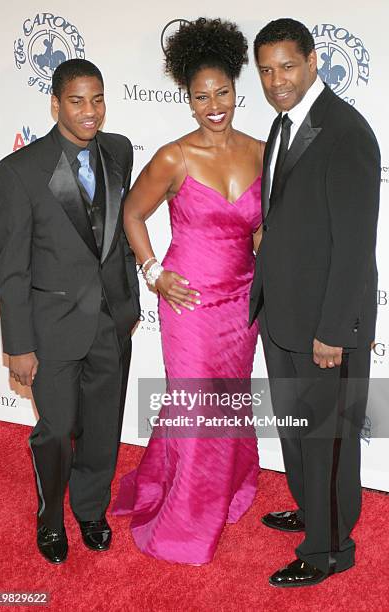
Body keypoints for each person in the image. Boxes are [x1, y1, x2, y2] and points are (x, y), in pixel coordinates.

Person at [112, 18, 263, 564]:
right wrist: (153, 271)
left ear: (235, 91)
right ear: (189, 101)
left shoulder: (261, 151)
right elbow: (132, 212)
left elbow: (260, 228)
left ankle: (224, 485)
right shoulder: (175, 156)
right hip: (191, 302)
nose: (213, 104)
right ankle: (186, 520)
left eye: (221, 92)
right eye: (201, 97)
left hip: (244, 301)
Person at [249, 18, 380, 587]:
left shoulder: (346, 132)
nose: (277, 80)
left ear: (313, 62)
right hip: (283, 317)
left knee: (328, 437)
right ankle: (312, 514)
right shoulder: (282, 127)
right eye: (266, 70)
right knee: (299, 428)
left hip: (326, 325)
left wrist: (334, 330)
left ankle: (330, 549)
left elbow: (356, 245)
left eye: (287, 66)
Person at [0, 59, 139, 564]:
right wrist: (18, 345)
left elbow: (114, 236)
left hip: (110, 320)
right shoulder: (19, 171)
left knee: (103, 424)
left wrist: (129, 305)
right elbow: (11, 267)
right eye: (77, 101)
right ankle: (50, 517)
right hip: (51, 328)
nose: (90, 111)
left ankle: (91, 509)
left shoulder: (119, 151)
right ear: (55, 103)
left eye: (97, 99)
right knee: (56, 431)